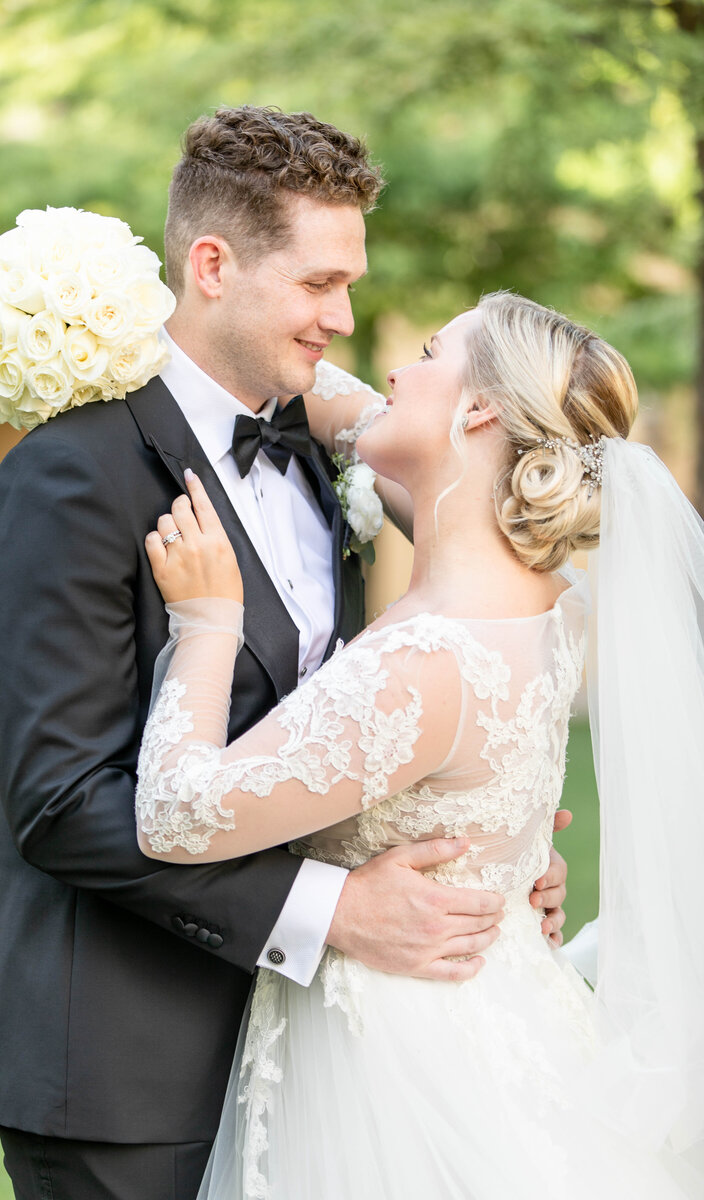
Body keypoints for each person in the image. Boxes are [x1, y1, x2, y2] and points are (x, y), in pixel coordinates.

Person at [0, 108, 570, 1200]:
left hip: (303, 1057)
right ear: (213, 264)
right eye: (318, 284)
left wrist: (477, 852)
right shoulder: (70, 476)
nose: (342, 317)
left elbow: (328, 725)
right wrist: (335, 912)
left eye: (351, 283)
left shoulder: (325, 458)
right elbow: (60, 801)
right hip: (120, 1067)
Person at [136, 291, 704, 1198]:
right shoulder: (552, 598)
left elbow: (175, 814)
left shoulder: (426, 661)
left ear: (479, 409)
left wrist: (207, 620)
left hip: (401, 1062)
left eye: (433, 351)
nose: (395, 367)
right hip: (504, 1002)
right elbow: (353, 403)